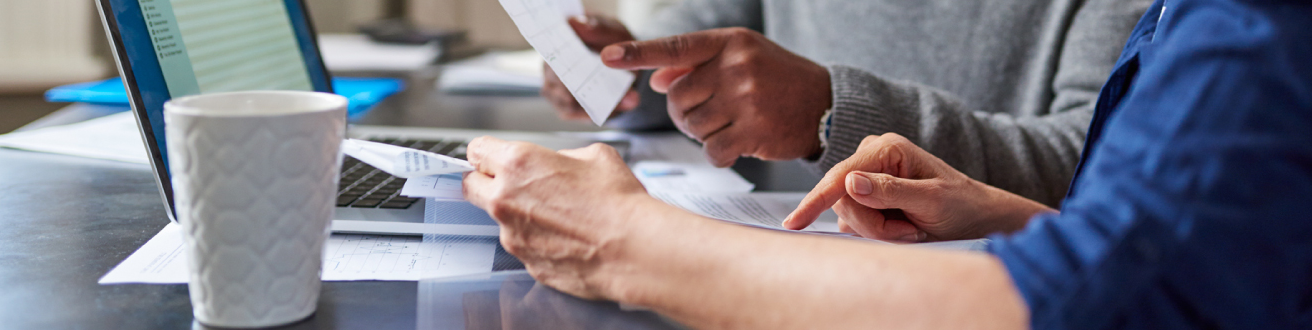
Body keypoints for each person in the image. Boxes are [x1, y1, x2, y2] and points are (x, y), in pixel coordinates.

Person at [462, 0, 1312, 328]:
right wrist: (1006, 212)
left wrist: (628, 243)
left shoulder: (1254, 35)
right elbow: (1195, 248)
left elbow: (1102, 295)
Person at [542, 0, 1150, 206]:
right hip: (760, 265)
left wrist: (833, 112)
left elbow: (1099, 158)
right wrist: (625, 76)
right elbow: (711, 32)